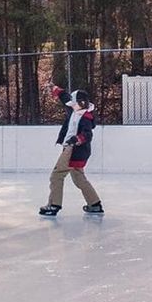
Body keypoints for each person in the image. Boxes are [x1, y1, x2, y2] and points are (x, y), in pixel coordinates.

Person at [38, 84, 104, 217]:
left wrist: (76, 139)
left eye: (74, 103)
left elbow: (88, 135)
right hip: (75, 150)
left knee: (56, 175)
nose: (71, 105)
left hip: (73, 150)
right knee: (79, 178)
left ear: (82, 103)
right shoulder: (74, 110)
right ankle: (95, 204)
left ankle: (54, 205)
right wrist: (55, 88)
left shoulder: (86, 118)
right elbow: (65, 97)